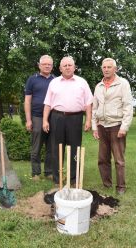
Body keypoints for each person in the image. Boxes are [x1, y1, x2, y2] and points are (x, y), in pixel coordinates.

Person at [42, 56, 93, 186]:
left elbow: (88, 103)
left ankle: (73, 178)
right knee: (56, 148)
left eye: (70, 65)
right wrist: (45, 120)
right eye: (64, 65)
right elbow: (48, 103)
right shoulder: (54, 82)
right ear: (60, 68)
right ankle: (57, 178)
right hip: (57, 118)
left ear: (74, 67)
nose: (67, 67)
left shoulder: (82, 82)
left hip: (75, 118)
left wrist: (88, 120)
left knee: (75, 148)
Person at [92, 58, 133, 195]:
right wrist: (94, 126)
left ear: (115, 69)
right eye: (104, 67)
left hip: (117, 125)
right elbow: (94, 108)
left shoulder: (123, 84)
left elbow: (128, 107)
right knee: (102, 159)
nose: (106, 69)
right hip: (102, 126)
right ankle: (107, 184)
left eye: (109, 67)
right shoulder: (99, 86)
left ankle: (121, 187)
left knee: (119, 159)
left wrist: (124, 127)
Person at [24, 55, 55, 181]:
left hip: (53, 117)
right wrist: (28, 120)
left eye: (49, 64)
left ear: (52, 66)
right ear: (39, 65)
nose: (47, 66)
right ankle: (36, 173)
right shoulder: (32, 79)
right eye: (44, 64)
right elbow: (27, 101)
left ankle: (49, 172)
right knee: (36, 146)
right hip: (37, 117)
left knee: (51, 147)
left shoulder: (56, 80)